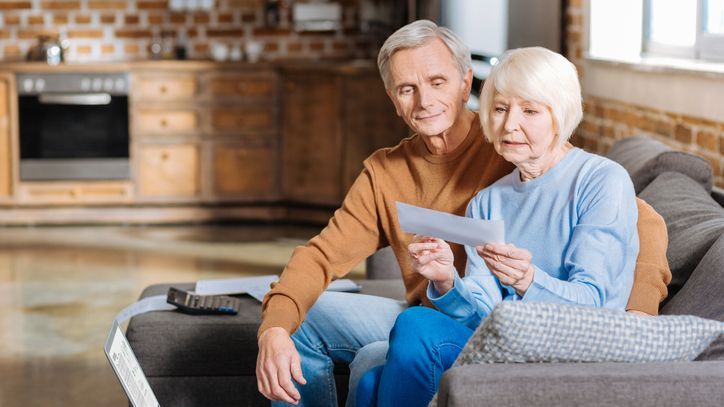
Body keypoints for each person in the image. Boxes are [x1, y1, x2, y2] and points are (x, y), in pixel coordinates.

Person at [256, 20, 671, 407]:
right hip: (453, 310)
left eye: (437, 81)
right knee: (299, 321)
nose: (425, 101)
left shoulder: (511, 145)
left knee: (379, 359)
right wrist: (273, 328)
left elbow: (642, 221)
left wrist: (635, 320)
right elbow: (321, 255)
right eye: (407, 89)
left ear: (464, 83)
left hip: (498, 324)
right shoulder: (394, 174)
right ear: (393, 99)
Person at [356, 46, 640, 407]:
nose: (509, 125)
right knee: (370, 383)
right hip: (507, 343)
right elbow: (481, 312)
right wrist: (445, 280)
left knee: (416, 325)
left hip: (570, 352)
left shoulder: (601, 181)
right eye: (501, 109)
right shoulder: (489, 200)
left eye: (530, 111)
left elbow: (595, 304)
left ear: (561, 114)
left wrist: (526, 280)